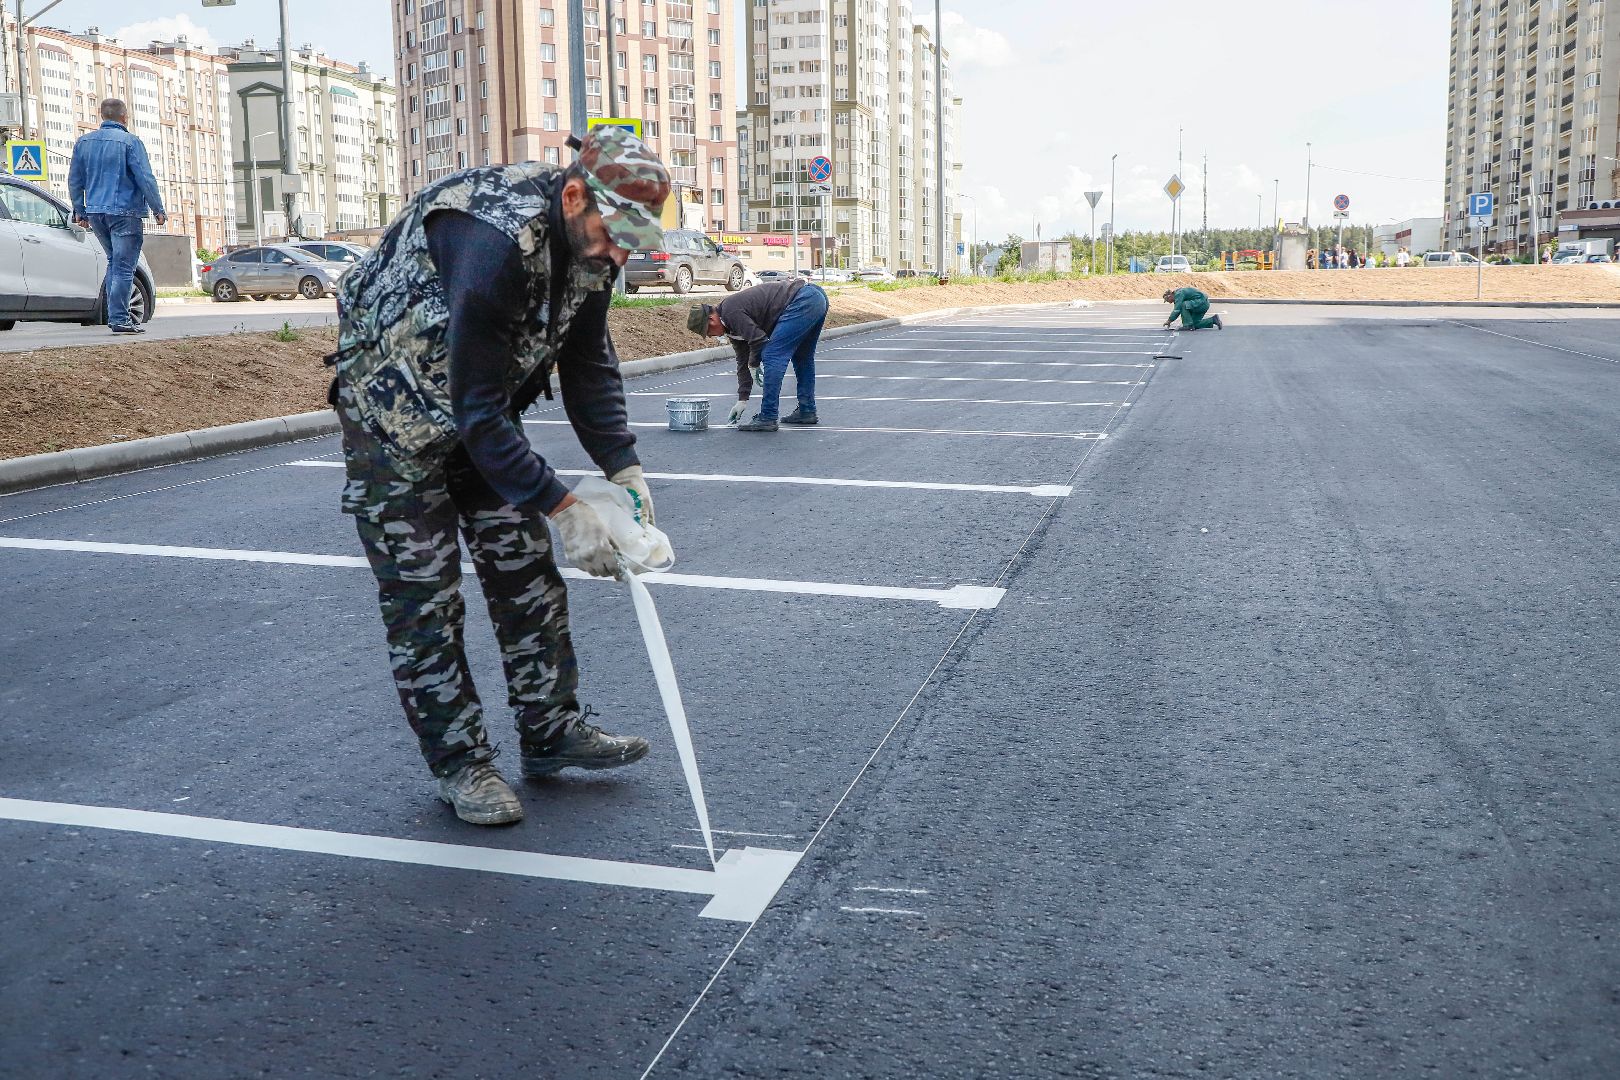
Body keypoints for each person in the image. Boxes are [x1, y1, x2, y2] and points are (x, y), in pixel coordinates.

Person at [327, 126, 669, 826]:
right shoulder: (491, 241)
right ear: (574, 196)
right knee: (426, 597)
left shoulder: (595, 245)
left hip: (478, 405)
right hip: (393, 413)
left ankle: (549, 733)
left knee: (525, 568)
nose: (617, 255)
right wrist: (567, 507)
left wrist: (624, 467)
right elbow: (478, 414)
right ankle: (462, 765)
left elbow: (587, 363)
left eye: (632, 242)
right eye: (612, 236)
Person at [67, 98, 167, 334]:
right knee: (124, 267)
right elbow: (145, 178)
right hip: (124, 212)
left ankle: (116, 315)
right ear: (124, 117)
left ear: (103, 116)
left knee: (115, 262)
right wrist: (158, 209)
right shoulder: (131, 142)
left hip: (96, 213)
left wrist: (79, 210)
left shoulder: (83, 142)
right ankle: (120, 318)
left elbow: (75, 180)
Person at [686, 277, 829, 432]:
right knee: (802, 357)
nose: (711, 336)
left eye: (708, 332)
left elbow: (760, 341)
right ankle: (807, 410)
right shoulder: (731, 327)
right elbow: (743, 360)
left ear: (712, 319)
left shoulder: (731, 312)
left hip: (804, 299)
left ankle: (768, 416)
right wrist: (742, 399)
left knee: (772, 354)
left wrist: (754, 364)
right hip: (814, 297)